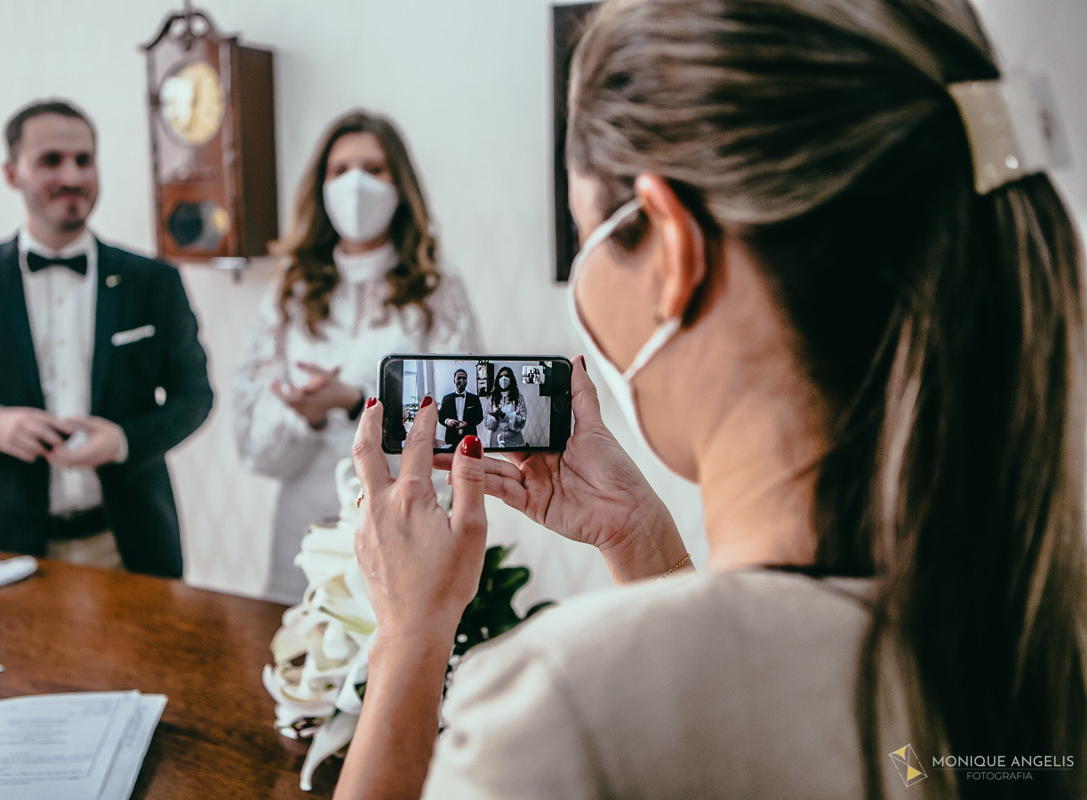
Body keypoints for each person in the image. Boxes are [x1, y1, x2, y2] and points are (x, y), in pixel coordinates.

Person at [335, 1, 1087, 798]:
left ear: (673, 251)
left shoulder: (560, 707)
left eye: (588, 232)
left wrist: (411, 639)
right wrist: (646, 546)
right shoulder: (1032, 643)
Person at [0, 99, 212, 578]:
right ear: (11, 173)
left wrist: (125, 440)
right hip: (1, 546)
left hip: (129, 543)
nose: (73, 175)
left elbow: (195, 396)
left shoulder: (154, 281)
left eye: (84, 160)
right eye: (51, 160)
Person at [233, 110, 479, 604]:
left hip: (406, 528)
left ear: (399, 181)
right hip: (306, 530)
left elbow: (462, 424)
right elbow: (254, 447)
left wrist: (355, 403)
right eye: (340, 170)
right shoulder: (291, 290)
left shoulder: (437, 287)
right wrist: (308, 415)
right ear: (320, 186)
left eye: (373, 168)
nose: (356, 185)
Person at [437, 369, 483, 448]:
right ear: (454, 381)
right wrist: (448, 421)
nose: (461, 380)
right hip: (451, 439)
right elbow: (441, 417)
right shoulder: (446, 399)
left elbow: (479, 417)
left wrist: (468, 424)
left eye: (464, 378)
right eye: (458, 378)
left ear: (467, 381)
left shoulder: (474, 398)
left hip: (470, 438)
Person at [482, 366, 526, 448]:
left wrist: (505, 416)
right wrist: (496, 417)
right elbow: (487, 424)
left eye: (506, 376)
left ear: (511, 378)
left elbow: (522, 419)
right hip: (496, 439)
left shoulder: (518, 397)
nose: (503, 379)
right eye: (501, 376)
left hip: (514, 439)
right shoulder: (493, 398)